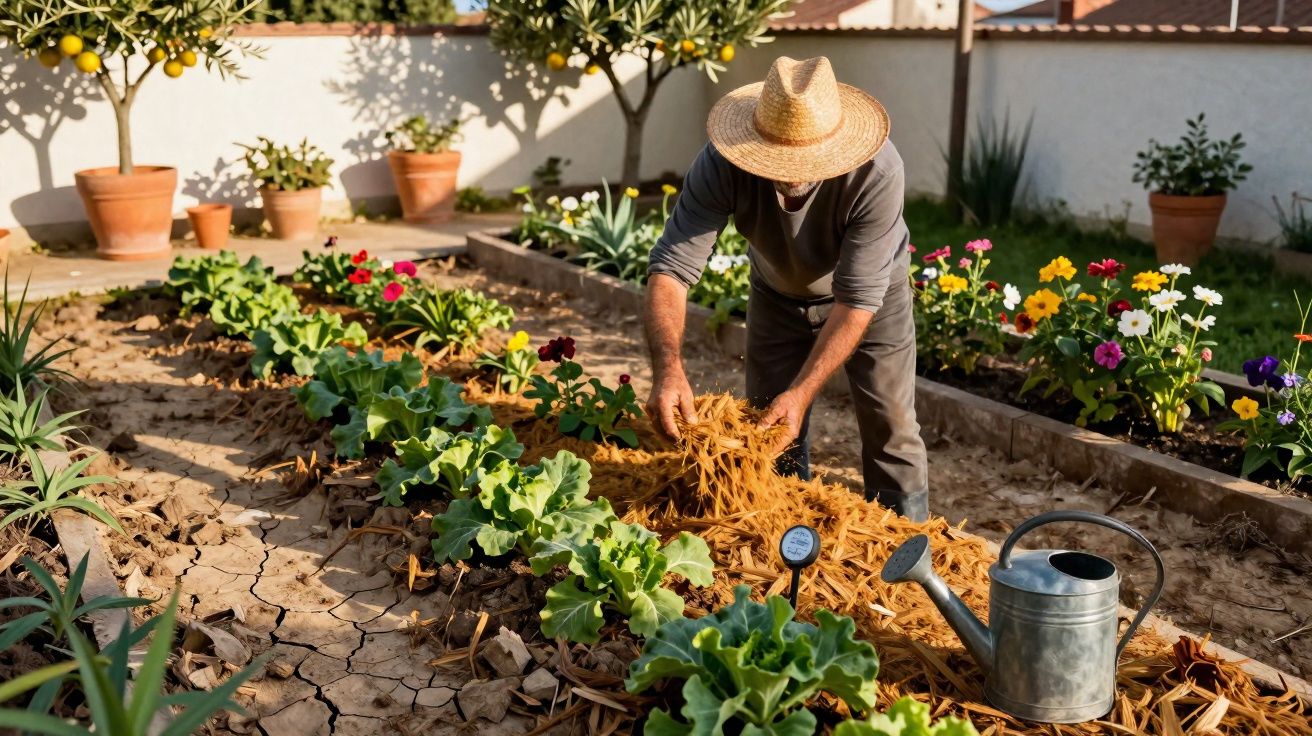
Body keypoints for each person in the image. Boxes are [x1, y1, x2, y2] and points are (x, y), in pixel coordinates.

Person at [642, 55, 929, 522]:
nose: (791, 170)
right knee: (768, 430)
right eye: (779, 157)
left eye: (804, 158)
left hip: (875, 303)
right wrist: (668, 369)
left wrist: (803, 392)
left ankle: (908, 552)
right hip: (776, 295)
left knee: (891, 428)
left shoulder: (877, 171)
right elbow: (671, 268)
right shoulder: (722, 161)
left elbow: (856, 299)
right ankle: (782, 536)